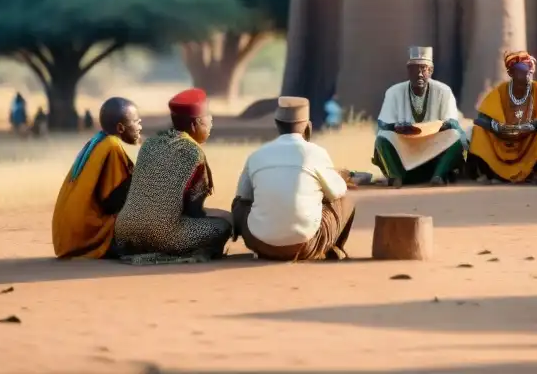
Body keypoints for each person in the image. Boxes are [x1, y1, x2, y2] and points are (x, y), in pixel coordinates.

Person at [113, 88, 233, 260]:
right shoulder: (192, 152)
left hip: (124, 234)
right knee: (221, 227)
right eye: (208, 118)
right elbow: (194, 211)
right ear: (195, 124)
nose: (212, 122)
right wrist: (225, 216)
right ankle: (185, 254)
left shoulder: (149, 144)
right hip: (161, 236)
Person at [232, 96, 356, 261]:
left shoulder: (257, 155)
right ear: (307, 125)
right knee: (346, 198)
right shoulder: (315, 152)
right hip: (305, 246)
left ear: (277, 123)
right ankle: (335, 247)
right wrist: (340, 176)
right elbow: (337, 192)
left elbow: (243, 197)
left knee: (239, 203)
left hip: (259, 243)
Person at [51, 97, 142, 258]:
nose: (140, 127)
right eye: (136, 122)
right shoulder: (112, 147)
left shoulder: (97, 142)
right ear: (121, 128)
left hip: (66, 238)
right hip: (85, 236)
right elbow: (112, 203)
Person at [373, 46, 467, 187]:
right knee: (383, 137)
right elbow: (383, 124)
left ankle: (438, 176)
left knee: (455, 136)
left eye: (424, 69)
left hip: (433, 145)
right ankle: (396, 176)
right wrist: (396, 127)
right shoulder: (394, 92)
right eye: (415, 69)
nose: (420, 74)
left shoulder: (443, 91)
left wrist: (433, 127)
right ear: (408, 71)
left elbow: (452, 123)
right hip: (405, 144)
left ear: (431, 71)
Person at [467, 51, 537, 184]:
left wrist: (530, 126)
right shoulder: (501, 90)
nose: (528, 73)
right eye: (522, 70)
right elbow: (482, 118)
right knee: (478, 131)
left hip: (530, 139)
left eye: (530, 69)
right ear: (510, 73)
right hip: (503, 139)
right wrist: (498, 127)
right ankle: (492, 173)